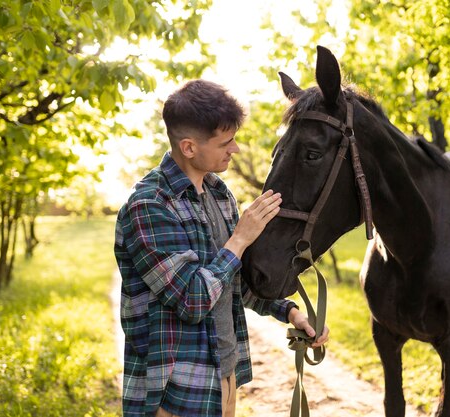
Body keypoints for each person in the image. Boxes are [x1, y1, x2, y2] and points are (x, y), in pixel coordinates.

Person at [114, 79, 329, 417]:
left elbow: (230, 284)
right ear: (188, 148)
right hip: (173, 394)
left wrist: (291, 313)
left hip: (223, 378)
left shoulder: (218, 193)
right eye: (226, 142)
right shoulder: (149, 206)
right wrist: (241, 238)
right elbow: (193, 300)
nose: (236, 149)